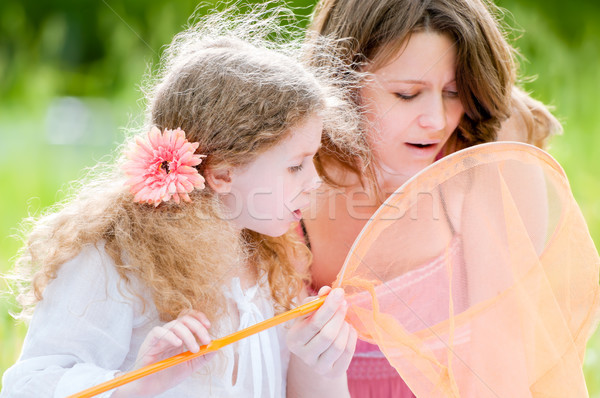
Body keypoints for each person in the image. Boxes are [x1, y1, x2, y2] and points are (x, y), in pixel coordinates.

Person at [0, 9, 359, 398]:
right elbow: (29, 385)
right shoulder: (115, 258)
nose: (315, 181)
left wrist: (321, 366)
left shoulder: (273, 258)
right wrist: (138, 384)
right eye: (295, 166)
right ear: (222, 174)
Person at [301, 0, 563, 396]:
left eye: (454, 92)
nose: (437, 121)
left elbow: (503, 355)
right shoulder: (288, 159)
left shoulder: (484, 150)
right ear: (340, 84)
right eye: (407, 94)